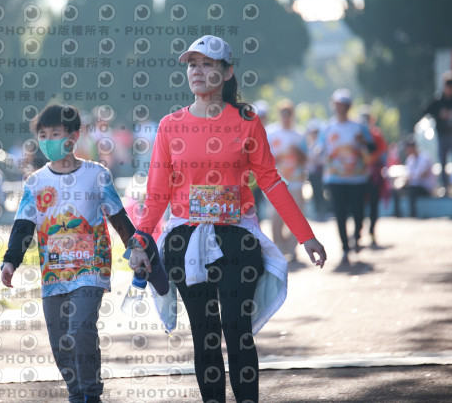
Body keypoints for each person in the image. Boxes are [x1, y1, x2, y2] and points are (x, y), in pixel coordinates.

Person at [129, 35, 327, 403]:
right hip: (185, 240)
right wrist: (140, 241)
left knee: (238, 331)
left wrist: (305, 235)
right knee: (205, 336)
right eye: (193, 64)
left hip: (237, 239)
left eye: (207, 64)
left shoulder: (247, 122)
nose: (197, 71)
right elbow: (156, 194)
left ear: (227, 71)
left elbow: (270, 180)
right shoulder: (170, 125)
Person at [0, 104, 145, 403]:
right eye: (43, 135)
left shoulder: (97, 175)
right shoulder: (36, 181)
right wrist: (10, 261)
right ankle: (75, 393)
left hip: (91, 268)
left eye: (55, 134)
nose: (48, 141)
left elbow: (119, 218)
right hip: (53, 272)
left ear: (73, 137)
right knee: (60, 342)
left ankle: (91, 393)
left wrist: (137, 248)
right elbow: (24, 225)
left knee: (80, 328)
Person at [321, 89, 375, 267]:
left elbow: (372, 148)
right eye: (337, 105)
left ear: (348, 107)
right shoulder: (327, 128)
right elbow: (318, 149)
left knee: (358, 211)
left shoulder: (359, 127)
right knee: (340, 213)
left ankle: (357, 236)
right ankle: (345, 247)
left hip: (357, 177)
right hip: (335, 177)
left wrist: (362, 142)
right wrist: (321, 152)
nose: (339, 108)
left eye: (343, 105)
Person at [267, 99, 307, 264]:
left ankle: (292, 248)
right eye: (283, 113)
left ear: (292, 115)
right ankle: (280, 246)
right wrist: (275, 158)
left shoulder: (299, 135)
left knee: (296, 215)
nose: (286, 117)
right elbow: (263, 157)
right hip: (276, 182)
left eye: (288, 113)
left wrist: (298, 153)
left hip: (296, 181)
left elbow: (306, 159)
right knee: (276, 216)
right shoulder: (271, 133)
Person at [422, 70, 452, 193]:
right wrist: (439, 114)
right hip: (442, 135)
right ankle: (445, 186)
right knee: (442, 161)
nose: (450, 90)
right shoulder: (439, 101)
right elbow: (425, 110)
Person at [358, 106, 388, 247]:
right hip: (359, 174)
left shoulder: (376, 135)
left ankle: (371, 231)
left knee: (374, 205)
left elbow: (381, 152)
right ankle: (357, 232)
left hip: (374, 174)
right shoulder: (356, 134)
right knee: (358, 205)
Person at [393, 137, 436, 218]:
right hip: (413, 186)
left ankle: (413, 213)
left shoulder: (425, 157)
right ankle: (397, 213)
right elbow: (408, 175)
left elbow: (423, 174)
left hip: (424, 187)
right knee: (395, 190)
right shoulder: (410, 159)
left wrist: (411, 178)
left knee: (412, 191)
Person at [305, 118, 327, 218]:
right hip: (312, 172)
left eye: (316, 132)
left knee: (320, 192)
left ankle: (322, 211)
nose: (314, 134)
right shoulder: (308, 144)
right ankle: (318, 211)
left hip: (320, 172)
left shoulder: (320, 144)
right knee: (315, 192)